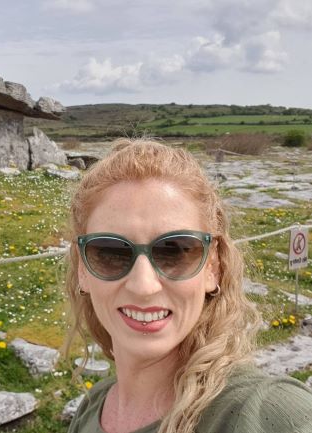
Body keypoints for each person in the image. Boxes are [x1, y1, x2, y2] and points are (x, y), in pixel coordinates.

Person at [65, 140, 312, 433]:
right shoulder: (92, 408)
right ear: (83, 269)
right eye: (111, 252)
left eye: (175, 250)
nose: (144, 286)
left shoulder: (272, 414)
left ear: (213, 267)